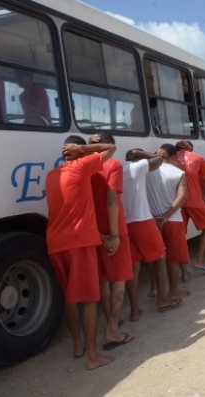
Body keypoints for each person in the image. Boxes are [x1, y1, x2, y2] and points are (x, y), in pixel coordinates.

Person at [44, 135, 116, 370]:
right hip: (79, 243)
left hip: (55, 242)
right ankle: (93, 357)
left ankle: (78, 344)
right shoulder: (81, 165)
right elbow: (111, 147)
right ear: (77, 152)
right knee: (89, 299)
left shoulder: (51, 175)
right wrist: (83, 148)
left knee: (70, 296)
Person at [123, 148, 181, 322]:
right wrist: (143, 153)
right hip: (143, 220)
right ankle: (162, 300)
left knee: (134, 267)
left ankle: (134, 310)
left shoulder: (117, 168)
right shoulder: (138, 168)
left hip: (125, 223)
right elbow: (158, 160)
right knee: (160, 257)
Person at [89, 133, 134, 352]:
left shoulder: (82, 166)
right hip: (114, 229)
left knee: (104, 279)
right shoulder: (113, 163)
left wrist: (98, 234)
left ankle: (109, 320)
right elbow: (111, 198)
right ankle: (112, 329)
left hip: (93, 232)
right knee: (119, 279)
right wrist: (113, 235)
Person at [146, 144, 191, 299]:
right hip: (172, 220)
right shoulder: (178, 173)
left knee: (154, 258)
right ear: (173, 157)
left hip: (151, 220)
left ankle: (154, 289)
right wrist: (165, 216)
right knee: (173, 258)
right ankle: (173, 291)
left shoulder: (147, 171)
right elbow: (182, 197)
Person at [175, 140, 205, 273]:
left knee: (180, 235)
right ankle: (199, 261)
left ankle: (183, 269)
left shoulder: (170, 157)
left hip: (176, 203)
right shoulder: (198, 158)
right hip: (195, 200)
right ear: (190, 148)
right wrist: (203, 195)